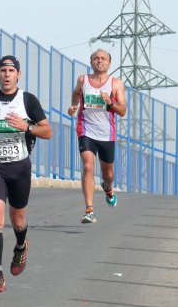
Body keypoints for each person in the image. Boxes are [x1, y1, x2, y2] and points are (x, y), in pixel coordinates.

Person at [0, 55, 52, 294]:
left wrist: (26, 126)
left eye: (11, 70)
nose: (7, 74)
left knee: (18, 220)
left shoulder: (27, 100)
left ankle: (20, 246)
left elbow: (48, 131)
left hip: (20, 168)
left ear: (18, 75)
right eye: (3, 70)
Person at [68, 49, 127, 224]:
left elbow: (122, 111)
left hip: (107, 133)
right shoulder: (83, 80)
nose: (99, 61)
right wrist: (74, 106)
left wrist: (110, 102)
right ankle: (89, 210)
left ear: (109, 63)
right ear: (91, 62)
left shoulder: (116, 84)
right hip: (86, 130)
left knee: (108, 174)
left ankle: (108, 188)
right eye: (96, 58)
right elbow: (76, 94)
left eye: (103, 59)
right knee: (88, 165)